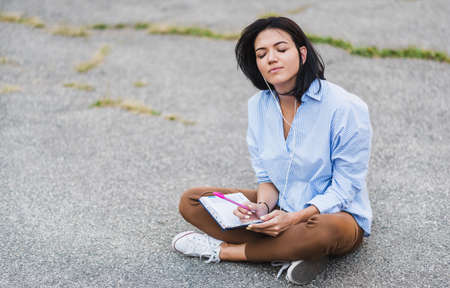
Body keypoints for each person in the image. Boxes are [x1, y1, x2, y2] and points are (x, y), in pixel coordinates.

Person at [171, 16, 372, 285]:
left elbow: (346, 186)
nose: (271, 58)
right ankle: (297, 252)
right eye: (261, 54)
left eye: (281, 49)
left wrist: (295, 218)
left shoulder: (345, 107)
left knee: (322, 232)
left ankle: (226, 251)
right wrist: (262, 208)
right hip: (282, 206)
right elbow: (266, 177)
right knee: (193, 201)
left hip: (333, 217)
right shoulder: (258, 106)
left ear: (302, 54)